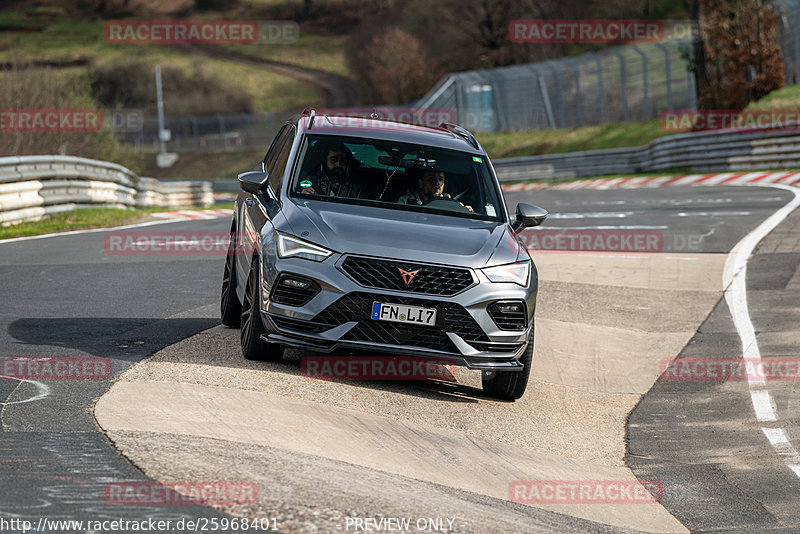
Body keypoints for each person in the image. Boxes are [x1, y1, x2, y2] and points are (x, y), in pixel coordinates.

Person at [299, 141, 364, 198]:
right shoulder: (313, 183)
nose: (338, 165)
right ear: (325, 162)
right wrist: (304, 196)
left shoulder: (354, 190)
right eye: (333, 160)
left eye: (343, 161)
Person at [398, 170, 473, 211]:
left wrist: (467, 213)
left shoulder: (455, 205)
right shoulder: (405, 202)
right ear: (421, 183)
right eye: (431, 179)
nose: (437, 183)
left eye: (440, 179)